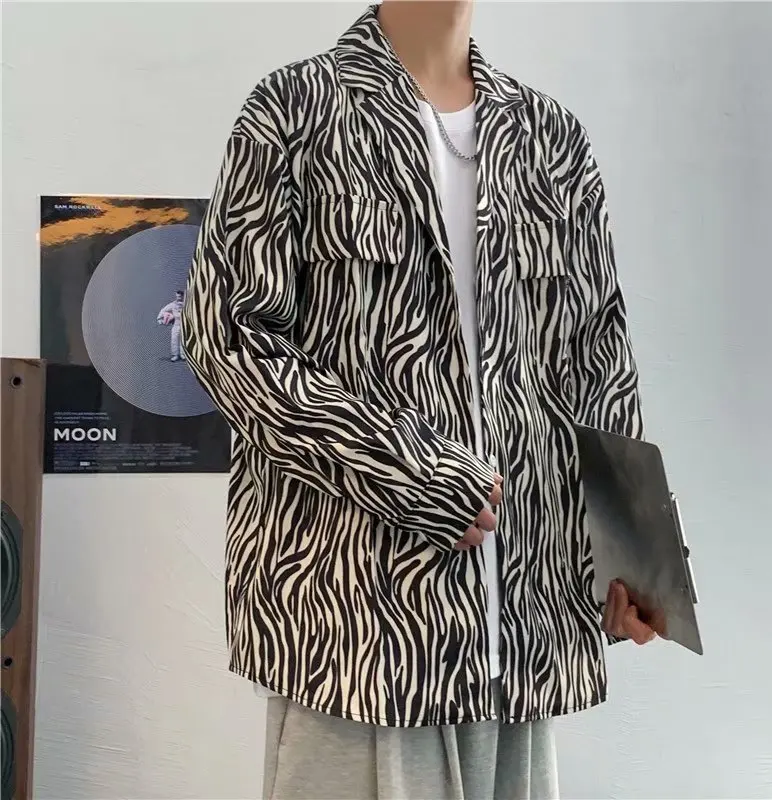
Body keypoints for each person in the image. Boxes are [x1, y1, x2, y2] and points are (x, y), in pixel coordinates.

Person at [182, 2, 657, 798]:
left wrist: (633, 551)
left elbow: (597, 356)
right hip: (358, 635)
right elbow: (228, 338)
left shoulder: (552, 140)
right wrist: (414, 474)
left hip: (522, 640)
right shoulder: (296, 112)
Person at [156, 290, 185, 362]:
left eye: (180, 296)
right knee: (174, 339)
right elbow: (163, 310)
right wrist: (159, 318)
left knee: (184, 339)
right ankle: (175, 355)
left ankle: (183, 354)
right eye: (177, 296)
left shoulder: (187, 304)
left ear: (183, 296)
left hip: (185, 324)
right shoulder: (173, 305)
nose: (179, 298)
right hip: (176, 323)